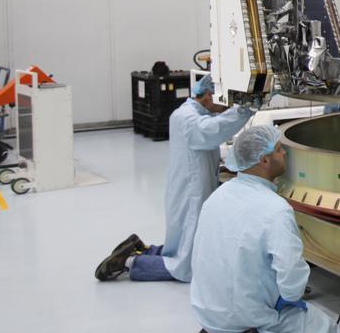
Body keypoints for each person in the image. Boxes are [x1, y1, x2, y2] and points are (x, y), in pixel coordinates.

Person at [191, 125, 340, 333]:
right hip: (244, 317)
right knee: (325, 332)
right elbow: (292, 285)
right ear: (265, 160)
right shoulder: (275, 210)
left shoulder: (218, 195)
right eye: (280, 150)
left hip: (207, 310)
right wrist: (289, 299)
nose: (285, 155)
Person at [95, 74, 254, 282]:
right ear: (208, 95)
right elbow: (209, 132)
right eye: (223, 102)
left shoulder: (192, 113)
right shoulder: (186, 117)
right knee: (188, 266)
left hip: (189, 187)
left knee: (183, 243)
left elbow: (210, 131)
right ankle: (129, 262)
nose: (225, 108)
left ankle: (145, 250)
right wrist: (245, 109)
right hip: (192, 192)